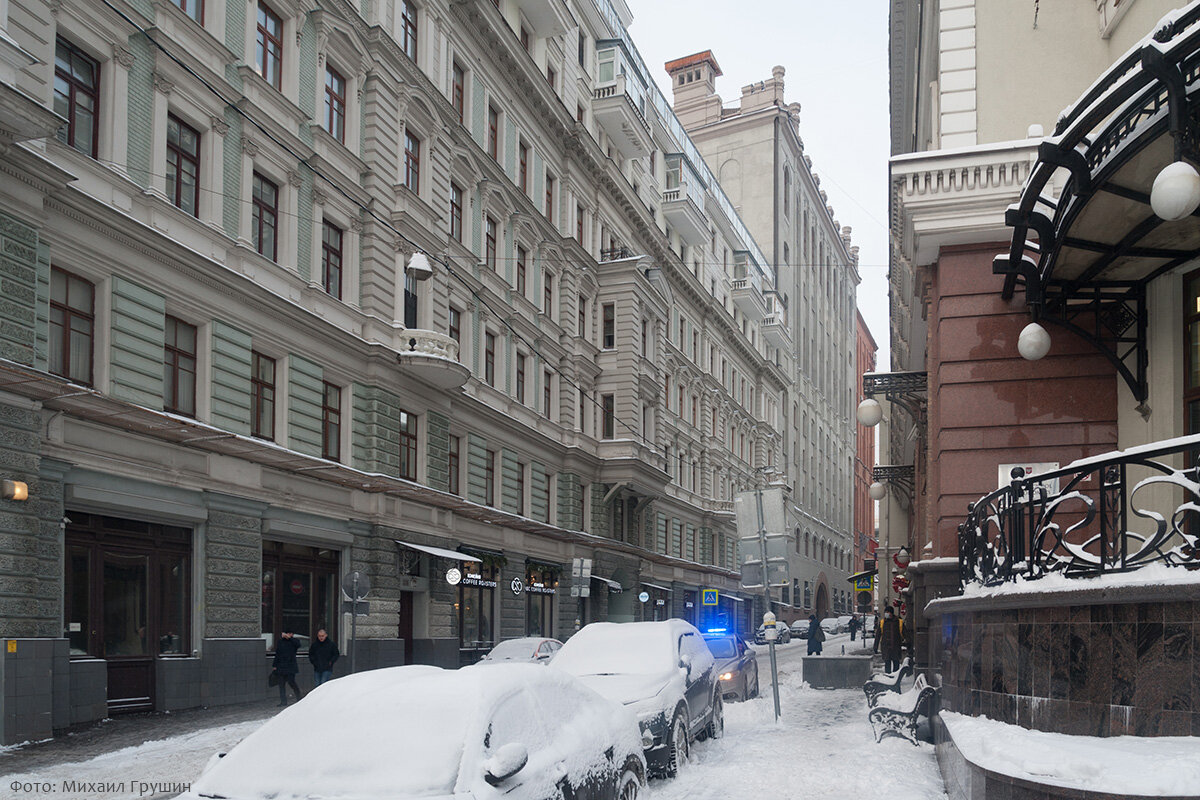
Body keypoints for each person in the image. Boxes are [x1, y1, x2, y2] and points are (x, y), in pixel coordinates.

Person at [273, 631, 303, 706]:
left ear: (292, 634)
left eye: (289, 633)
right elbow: (278, 653)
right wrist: (274, 665)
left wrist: (290, 638)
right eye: (286, 633)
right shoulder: (280, 642)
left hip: (290, 666)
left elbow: (298, 645)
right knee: (281, 685)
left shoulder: (294, 641)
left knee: (292, 682)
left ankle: (299, 698)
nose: (287, 635)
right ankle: (283, 701)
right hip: (281, 666)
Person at [874, 606, 903, 673]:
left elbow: (906, 635)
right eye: (885, 612)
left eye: (887, 612)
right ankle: (888, 679)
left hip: (896, 648)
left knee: (896, 665)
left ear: (891, 613)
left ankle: (896, 680)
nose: (886, 614)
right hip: (886, 648)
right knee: (887, 665)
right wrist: (875, 647)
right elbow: (878, 636)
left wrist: (909, 647)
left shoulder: (899, 622)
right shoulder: (882, 622)